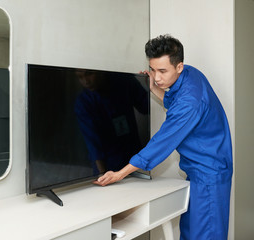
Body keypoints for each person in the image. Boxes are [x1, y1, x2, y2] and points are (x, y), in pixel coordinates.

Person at [94, 35, 233, 240]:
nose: (157, 77)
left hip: (208, 175)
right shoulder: (190, 74)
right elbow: (176, 105)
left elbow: (162, 143)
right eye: (153, 69)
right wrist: (153, 87)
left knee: (204, 235)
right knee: (191, 232)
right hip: (201, 172)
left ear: (179, 66)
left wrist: (119, 174)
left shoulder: (190, 101)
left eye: (162, 71)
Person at [74, 69, 149, 175]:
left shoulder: (124, 81)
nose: (86, 81)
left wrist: (153, 85)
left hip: (134, 158)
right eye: (80, 77)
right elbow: (93, 144)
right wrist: (103, 175)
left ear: (100, 71)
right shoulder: (83, 103)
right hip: (108, 165)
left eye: (89, 74)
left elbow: (146, 107)